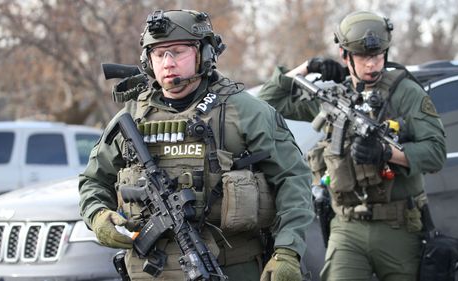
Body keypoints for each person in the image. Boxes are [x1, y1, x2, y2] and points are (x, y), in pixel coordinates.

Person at [78, 9, 314, 281]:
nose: (167, 63)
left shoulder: (245, 112)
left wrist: (287, 251)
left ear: (204, 54)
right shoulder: (132, 116)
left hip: (229, 268)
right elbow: (94, 180)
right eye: (158, 54)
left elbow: (293, 178)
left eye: (178, 52)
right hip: (149, 270)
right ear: (147, 60)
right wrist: (97, 216)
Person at [258, 10, 446, 281]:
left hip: (400, 226)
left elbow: (436, 153)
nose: (372, 64)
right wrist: (307, 67)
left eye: (378, 55)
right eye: (363, 57)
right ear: (345, 56)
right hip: (347, 227)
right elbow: (268, 101)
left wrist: (387, 153)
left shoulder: (406, 93)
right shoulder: (335, 97)